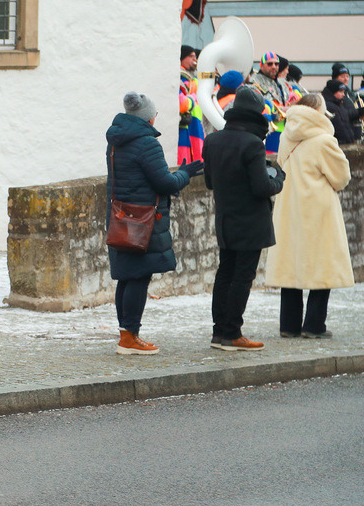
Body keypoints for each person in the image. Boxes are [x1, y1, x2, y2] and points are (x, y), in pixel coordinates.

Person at [106, 91, 203, 355]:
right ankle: (130, 337)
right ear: (148, 117)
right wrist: (185, 173)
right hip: (142, 221)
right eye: (155, 115)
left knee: (126, 276)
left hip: (120, 217)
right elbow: (165, 182)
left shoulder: (116, 140)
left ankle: (126, 334)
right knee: (139, 276)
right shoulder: (147, 143)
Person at [202, 87, 285, 351]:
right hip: (251, 221)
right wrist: (278, 178)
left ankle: (219, 332)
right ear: (256, 112)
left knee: (225, 273)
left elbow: (209, 182)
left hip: (225, 219)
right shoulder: (252, 143)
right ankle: (232, 333)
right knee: (242, 276)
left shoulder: (213, 140)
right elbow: (262, 187)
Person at [265, 93, 353, 338]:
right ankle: (314, 326)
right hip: (318, 210)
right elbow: (341, 177)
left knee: (290, 265)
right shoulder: (323, 140)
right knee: (323, 265)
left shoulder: (286, 137)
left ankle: (289, 325)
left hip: (289, 207)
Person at [322, 79, 356, 145]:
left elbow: (348, 114)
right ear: (333, 92)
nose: (343, 95)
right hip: (339, 143)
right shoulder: (330, 106)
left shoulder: (338, 104)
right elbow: (339, 128)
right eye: (341, 92)